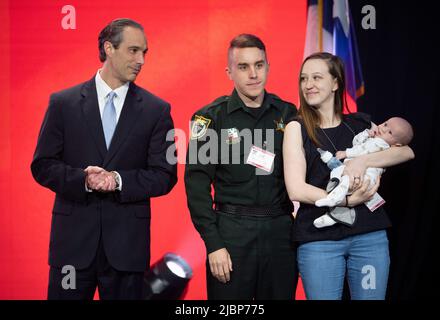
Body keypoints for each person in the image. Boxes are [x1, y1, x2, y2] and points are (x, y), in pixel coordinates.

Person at [31, 18, 177, 300]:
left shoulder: (156, 110)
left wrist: (118, 180)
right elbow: (43, 165)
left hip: (127, 252)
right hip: (72, 249)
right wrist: (82, 179)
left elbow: (164, 174)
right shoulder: (63, 103)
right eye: (133, 51)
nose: (141, 60)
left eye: (144, 52)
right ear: (109, 48)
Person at [283, 52, 415, 300]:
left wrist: (363, 161)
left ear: (335, 83)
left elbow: (406, 151)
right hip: (319, 241)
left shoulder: (360, 123)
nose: (308, 84)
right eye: (303, 78)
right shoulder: (296, 127)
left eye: (317, 77)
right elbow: (296, 190)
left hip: (368, 237)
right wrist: (345, 201)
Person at [185, 34, 298, 299]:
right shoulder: (210, 118)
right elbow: (197, 187)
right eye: (243, 67)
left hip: (280, 236)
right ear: (229, 72)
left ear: (268, 67)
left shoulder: (288, 113)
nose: (253, 74)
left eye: (259, 65)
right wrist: (214, 245)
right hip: (232, 236)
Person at [314, 117, 414, 228]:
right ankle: (337, 215)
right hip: (355, 173)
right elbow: (356, 142)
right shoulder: (374, 138)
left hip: (366, 177)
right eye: (385, 124)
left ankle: (335, 197)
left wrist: (346, 153)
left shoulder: (381, 144)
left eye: (390, 132)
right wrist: (366, 134)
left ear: (397, 144)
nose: (384, 129)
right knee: (339, 173)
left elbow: (364, 149)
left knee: (347, 180)